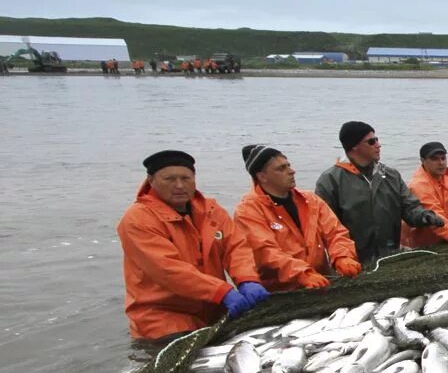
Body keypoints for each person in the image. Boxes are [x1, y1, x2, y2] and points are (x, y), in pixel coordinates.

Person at [117, 150, 269, 340]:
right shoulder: (138, 219)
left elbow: (236, 247)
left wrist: (247, 279)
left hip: (214, 312)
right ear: (151, 180)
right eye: (169, 179)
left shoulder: (211, 210)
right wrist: (222, 291)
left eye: (186, 178)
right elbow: (168, 270)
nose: (179, 185)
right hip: (163, 320)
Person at [234, 144, 361, 291]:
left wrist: (342, 256)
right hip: (280, 292)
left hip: (321, 283)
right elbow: (266, 252)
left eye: (288, 165)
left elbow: (336, 233)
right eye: (281, 169)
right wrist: (302, 274)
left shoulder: (311, 200)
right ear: (262, 177)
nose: (292, 171)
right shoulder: (248, 211)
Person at [314, 121, 445, 262]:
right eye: (371, 141)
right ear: (354, 147)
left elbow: (409, 207)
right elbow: (326, 228)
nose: (378, 145)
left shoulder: (391, 175)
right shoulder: (330, 181)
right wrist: (341, 258)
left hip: (390, 254)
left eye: (377, 140)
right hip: (352, 259)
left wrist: (425, 216)